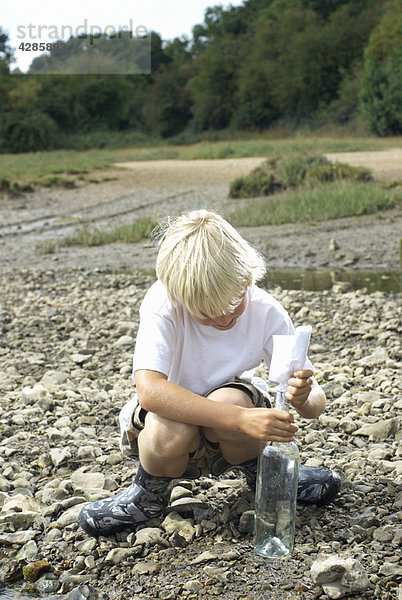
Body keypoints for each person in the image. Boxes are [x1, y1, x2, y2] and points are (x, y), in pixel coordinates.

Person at [78, 209, 341, 537]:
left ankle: (267, 476)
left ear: (248, 278)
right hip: (170, 438)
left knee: (234, 395)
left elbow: (315, 404)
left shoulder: (267, 311)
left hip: (233, 441)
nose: (224, 319)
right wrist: (240, 420)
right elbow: (150, 391)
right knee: (167, 422)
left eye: (234, 303)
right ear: (178, 295)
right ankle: (148, 496)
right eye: (206, 313)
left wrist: (303, 395)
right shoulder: (164, 304)